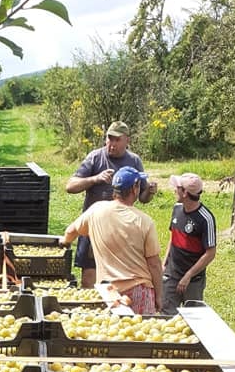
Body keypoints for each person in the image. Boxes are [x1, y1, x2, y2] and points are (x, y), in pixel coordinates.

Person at [60, 166, 163, 314]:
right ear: (135, 188)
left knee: (111, 334)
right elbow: (154, 264)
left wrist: (65, 242)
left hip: (108, 292)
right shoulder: (144, 221)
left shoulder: (96, 210)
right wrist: (159, 296)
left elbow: (70, 232)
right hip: (138, 291)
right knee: (139, 335)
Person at [65, 121, 157, 287]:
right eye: (109, 138)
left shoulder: (134, 161)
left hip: (122, 229)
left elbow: (142, 198)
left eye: (117, 140)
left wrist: (149, 191)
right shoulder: (95, 157)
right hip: (95, 226)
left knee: (119, 277)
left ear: (127, 140)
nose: (112, 144)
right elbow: (70, 186)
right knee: (89, 277)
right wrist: (95, 178)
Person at [162, 173, 217, 314]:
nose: (174, 190)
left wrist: (188, 275)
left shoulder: (206, 218)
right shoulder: (177, 208)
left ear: (185, 193)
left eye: (177, 188)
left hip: (193, 281)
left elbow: (210, 253)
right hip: (171, 276)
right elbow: (172, 238)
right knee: (166, 317)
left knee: (193, 321)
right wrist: (164, 264)